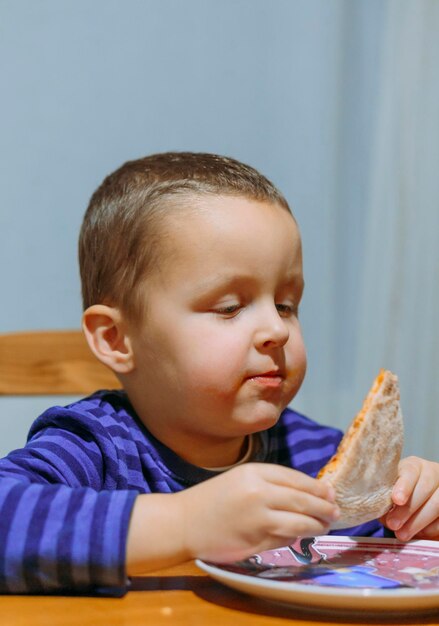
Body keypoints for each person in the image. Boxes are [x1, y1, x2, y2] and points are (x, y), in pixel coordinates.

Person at [1, 152, 438, 596]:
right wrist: (186, 523)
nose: (275, 329)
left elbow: (376, 569)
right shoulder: (95, 447)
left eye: (286, 305)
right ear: (116, 339)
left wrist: (417, 524)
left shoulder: (314, 457)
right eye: (230, 307)